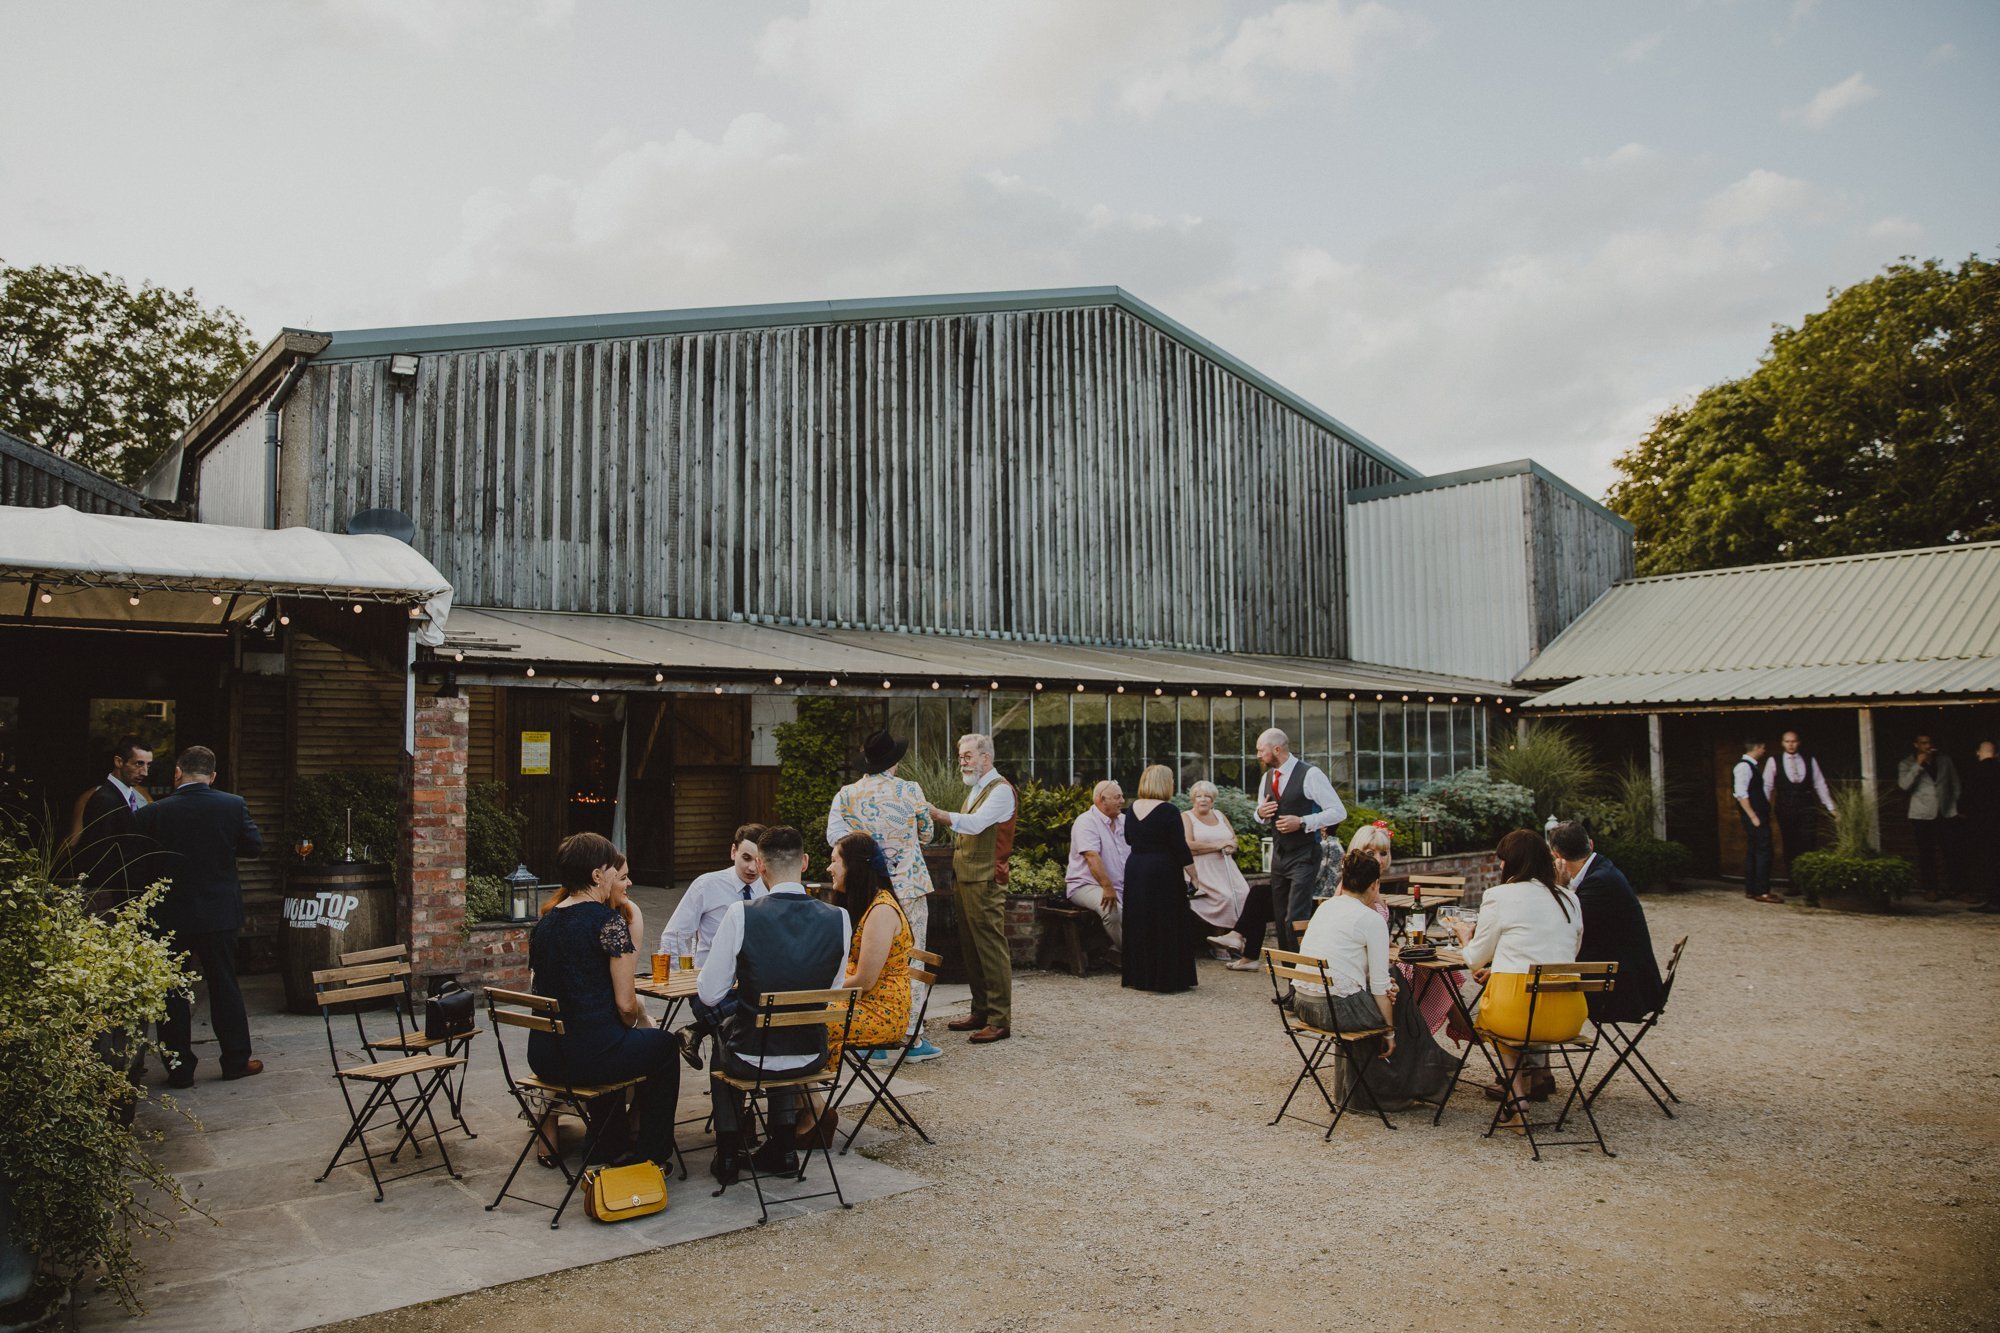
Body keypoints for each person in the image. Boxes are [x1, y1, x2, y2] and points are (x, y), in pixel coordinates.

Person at [699, 826, 851, 1184]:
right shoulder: (839, 918)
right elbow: (832, 989)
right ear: (806, 862)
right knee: (781, 1025)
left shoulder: (741, 914)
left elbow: (709, 994)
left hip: (750, 1057)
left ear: (762, 866)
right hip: (811, 1054)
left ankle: (728, 1151)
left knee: (726, 1034)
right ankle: (782, 1148)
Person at [527, 833, 680, 1171]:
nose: (616, 875)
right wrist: (630, 1026)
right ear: (597, 875)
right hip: (588, 1058)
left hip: (545, 1055)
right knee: (664, 1047)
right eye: (612, 869)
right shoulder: (608, 922)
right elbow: (627, 1006)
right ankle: (651, 1156)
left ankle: (606, 1144)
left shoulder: (545, 923)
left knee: (612, 1041)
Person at [131, 746, 264, 1087]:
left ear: (178, 773)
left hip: (169, 913)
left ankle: (179, 1069)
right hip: (219, 911)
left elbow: (140, 862)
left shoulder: (153, 812)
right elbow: (253, 847)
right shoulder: (232, 805)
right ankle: (235, 1060)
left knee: (172, 991)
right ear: (213, 775)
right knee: (224, 985)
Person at [1449, 830, 1583, 1128]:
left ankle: (1518, 1100)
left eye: (1502, 860)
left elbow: (1474, 959)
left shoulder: (1499, 896)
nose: (1499, 867)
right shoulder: (1570, 898)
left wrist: (1464, 936)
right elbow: (1569, 951)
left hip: (1518, 1015)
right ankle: (1520, 1097)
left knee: (1497, 1017)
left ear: (1514, 863)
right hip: (1568, 1015)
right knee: (1513, 1005)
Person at [826, 730, 941, 1062]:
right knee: (911, 956)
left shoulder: (847, 794)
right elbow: (927, 833)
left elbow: (835, 837)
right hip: (908, 883)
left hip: (867, 887)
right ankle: (911, 1037)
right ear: (894, 761)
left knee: (865, 955)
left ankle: (868, 1033)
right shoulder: (910, 790)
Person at [928, 733, 1017, 1045]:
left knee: (990, 948)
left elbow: (976, 824)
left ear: (986, 759)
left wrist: (938, 814)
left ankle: (999, 1019)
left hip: (986, 879)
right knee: (972, 947)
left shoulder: (1001, 791)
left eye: (967, 756)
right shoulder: (978, 788)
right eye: (961, 756)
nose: (962, 761)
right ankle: (980, 1010)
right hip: (967, 877)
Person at [658, 823, 767, 1068]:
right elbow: (675, 934)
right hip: (712, 985)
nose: (751, 867)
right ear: (733, 852)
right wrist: (685, 978)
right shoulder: (707, 884)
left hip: (754, 985)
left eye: (758, 861)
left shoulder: (769, 889)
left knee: (756, 1012)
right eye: (746, 858)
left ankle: (695, 1031)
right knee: (745, 1018)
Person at [1292, 849, 1396, 1092]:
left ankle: (1354, 1088)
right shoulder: (1371, 919)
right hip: (1335, 1012)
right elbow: (1379, 985)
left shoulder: (1325, 907)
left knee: (1388, 991)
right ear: (1375, 885)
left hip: (1303, 1004)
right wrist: (1390, 1033)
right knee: (1398, 1003)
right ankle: (1389, 1090)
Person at [1549, 821, 1663, 1023]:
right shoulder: (1602, 869)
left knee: (1538, 988)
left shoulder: (1598, 881)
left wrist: (1560, 887)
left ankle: (1531, 1046)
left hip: (1621, 990)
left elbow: (1566, 927)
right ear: (1590, 844)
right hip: (1625, 976)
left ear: (1556, 856)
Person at [1253, 728, 1348, 950]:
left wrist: (1303, 821)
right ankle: (1289, 974)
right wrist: (1260, 813)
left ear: (1277, 749)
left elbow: (1338, 811)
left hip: (1305, 853)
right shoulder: (1267, 777)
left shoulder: (1311, 774)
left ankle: (1302, 971)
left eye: (1261, 750)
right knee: (1280, 917)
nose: (1258, 755)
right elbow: (1259, 814)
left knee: (1295, 916)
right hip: (1279, 855)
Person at [1120, 764, 1198, 993]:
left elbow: (1127, 838)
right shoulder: (1169, 810)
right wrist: (1194, 876)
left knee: (1139, 920)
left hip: (1135, 868)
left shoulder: (1132, 808)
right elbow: (1180, 847)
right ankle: (1166, 977)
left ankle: (1140, 975)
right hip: (1162, 869)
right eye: (1171, 779)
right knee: (1165, 921)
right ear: (1165, 782)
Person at [64, 734, 153, 912]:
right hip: (109, 900)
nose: (145, 772)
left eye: (148, 765)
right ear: (119, 762)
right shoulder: (105, 799)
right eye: (138, 764)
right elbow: (100, 856)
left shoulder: (126, 796)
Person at [1181, 781, 1251, 955]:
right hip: (1201, 868)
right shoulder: (1187, 816)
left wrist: (1231, 847)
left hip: (1226, 866)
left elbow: (1233, 839)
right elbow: (1187, 845)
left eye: (1207, 796)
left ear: (1213, 800)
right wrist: (1218, 845)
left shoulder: (1219, 814)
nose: (1203, 800)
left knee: (1244, 893)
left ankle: (1235, 939)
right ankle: (1218, 943)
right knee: (1225, 896)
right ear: (1193, 799)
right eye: (1199, 796)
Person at [1763, 730, 1836, 883]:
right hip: (1785, 806)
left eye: (1794, 741)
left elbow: (1819, 784)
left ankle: (1809, 882)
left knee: (1809, 842)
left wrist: (1831, 807)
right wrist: (1763, 808)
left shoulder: (1810, 759)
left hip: (1807, 806)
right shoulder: (1774, 760)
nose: (1791, 744)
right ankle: (1793, 882)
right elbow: (1767, 786)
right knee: (1790, 844)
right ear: (1782, 743)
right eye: (1787, 741)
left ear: (1799, 742)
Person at [1065, 780, 1127, 950]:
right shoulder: (1086, 822)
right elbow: (1092, 857)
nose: (1123, 801)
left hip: (1121, 885)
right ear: (1102, 799)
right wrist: (1107, 887)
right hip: (1086, 885)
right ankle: (1132, 955)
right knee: (1112, 911)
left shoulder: (1124, 821)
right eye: (1118, 797)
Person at [1897, 734, 1960, 899]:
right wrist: (1918, 764)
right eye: (1923, 743)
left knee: (1952, 851)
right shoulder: (1906, 763)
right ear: (1916, 744)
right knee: (1927, 853)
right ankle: (1930, 888)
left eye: (1930, 743)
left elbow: (1955, 783)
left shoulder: (1944, 760)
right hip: (1922, 814)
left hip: (1945, 811)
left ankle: (1959, 889)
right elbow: (1904, 785)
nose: (1928, 746)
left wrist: (1956, 804)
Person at [1731, 736, 1781, 904]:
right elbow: (1740, 793)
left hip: (1757, 815)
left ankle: (1752, 889)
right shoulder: (1744, 767)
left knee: (1755, 851)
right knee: (1763, 851)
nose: (1764, 751)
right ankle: (1761, 890)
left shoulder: (1750, 767)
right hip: (1755, 816)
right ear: (1757, 748)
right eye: (1763, 748)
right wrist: (1753, 816)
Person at [1965, 741, 2000, 913]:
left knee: (1988, 861)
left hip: (1982, 824)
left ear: (1978, 752)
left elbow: (1969, 798)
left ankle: (1993, 899)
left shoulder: (1975, 772)